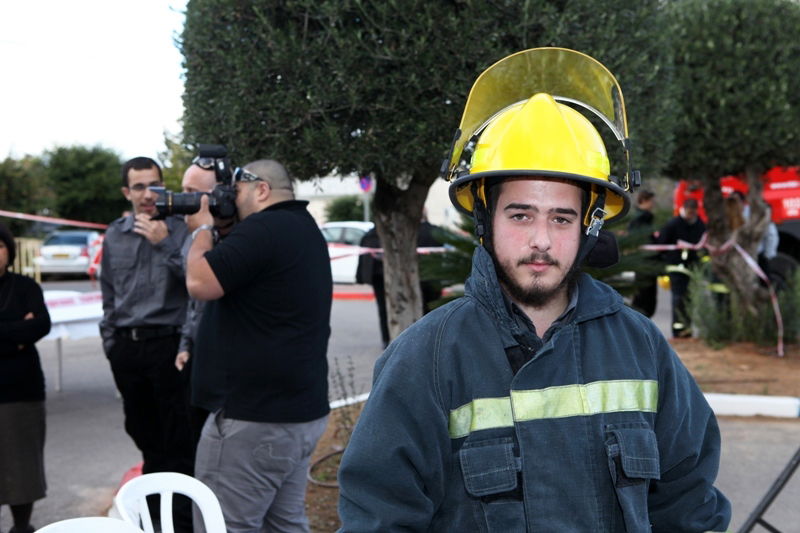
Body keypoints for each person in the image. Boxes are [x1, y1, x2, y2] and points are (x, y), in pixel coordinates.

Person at [338, 48, 731, 532]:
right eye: (521, 214)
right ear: (485, 220)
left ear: (589, 227)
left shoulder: (641, 349)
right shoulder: (427, 358)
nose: (541, 239)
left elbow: (689, 507)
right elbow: (380, 518)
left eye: (561, 218)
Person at [186, 159, 332, 532]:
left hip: (254, 419)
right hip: (298, 413)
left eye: (234, 191)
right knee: (284, 524)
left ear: (261, 189)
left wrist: (201, 229)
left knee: (224, 525)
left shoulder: (265, 228)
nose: (229, 199)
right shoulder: (301, 227)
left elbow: (201, 282)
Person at [99, 156, 194, 531]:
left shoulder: (180, 230)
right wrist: (111, 344)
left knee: (178, 442)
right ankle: (156, 521)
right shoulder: (114, 234)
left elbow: (195, 285)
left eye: (154, 184)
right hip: (127, 349)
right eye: (138, 187)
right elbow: (108, 293)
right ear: (127, 192)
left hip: (168, 347)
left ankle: (182, 523)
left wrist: (166, 245)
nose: (148, 194)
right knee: (144, 436)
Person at [174, 157, 236, 446]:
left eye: (191, 191)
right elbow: (193, 301)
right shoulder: (195, 233)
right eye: (182, 189)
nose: (182, 199)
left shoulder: (238, 239)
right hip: (197, 357)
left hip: (227, 369)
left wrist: (204, 233)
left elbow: (204, 286)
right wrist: (186, 344)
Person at [0, 223, 51, 533]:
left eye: (0, 246)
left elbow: (40, 325)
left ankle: (22, 525)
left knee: (22, 464)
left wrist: (21, 332)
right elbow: (26, 330)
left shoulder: (26, 287)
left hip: (22, 390)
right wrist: (15, 332)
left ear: (9, 251)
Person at [658, 197, 706, 338]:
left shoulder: (699, 224)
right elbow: (662, 244)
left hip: (692, 268)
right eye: (689, 212)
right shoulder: (673, 224)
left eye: (694, 213)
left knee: (689, 298)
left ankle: (687, 328)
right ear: (684, 209)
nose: (691, 216)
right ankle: (677, 329)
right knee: (678, 298)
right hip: (676, 267)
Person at [627, 189, 658, 317]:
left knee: (648, 293)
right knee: (644, 294)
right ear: (644, 201)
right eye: (651, 201)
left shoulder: (645, 218)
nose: (653, 204)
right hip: (644, 262)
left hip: (647, 261)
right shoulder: (640, 219)